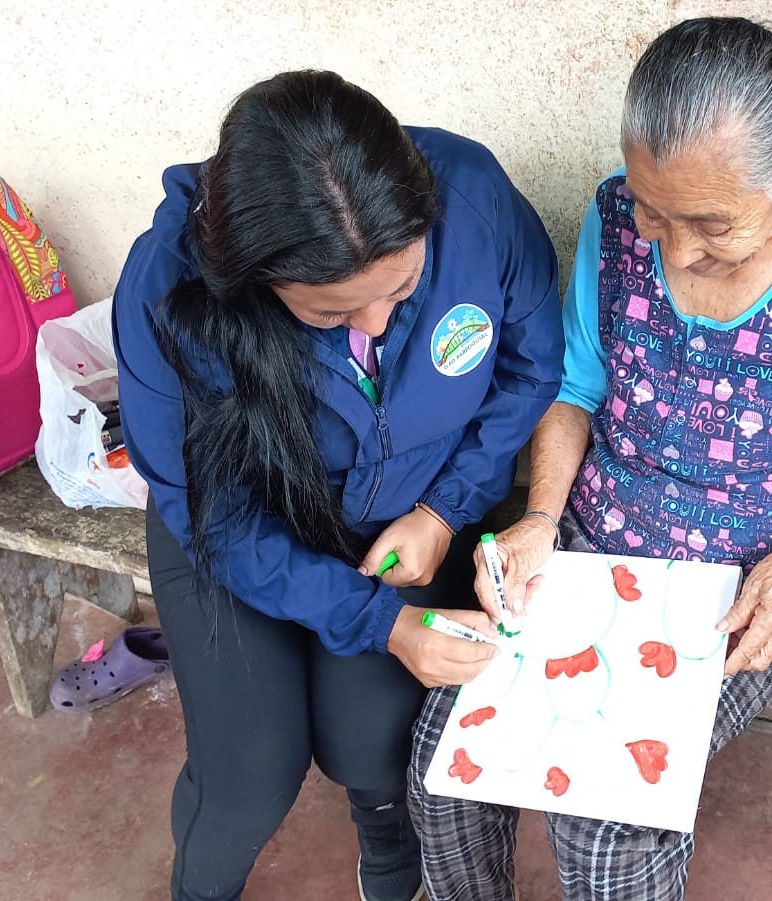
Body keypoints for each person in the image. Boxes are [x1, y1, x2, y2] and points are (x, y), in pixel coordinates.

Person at [408, 18, 772, 900]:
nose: (674, 249)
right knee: (444, 762)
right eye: (654, 211)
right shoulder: (613, 215)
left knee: (607, 819)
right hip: (590, 546)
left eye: (712, 223)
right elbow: (576, 385)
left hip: (745, 579)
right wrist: (541, 518)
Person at [112, 70, 562, 901]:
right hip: (239, 528)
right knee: (249, 773)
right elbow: (220, 520)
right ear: (252, 279)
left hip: (411, 507)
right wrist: (380, 622)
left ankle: (384, 828)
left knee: (370, 736)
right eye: (329, 313)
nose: (378, 324)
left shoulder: (475, 199)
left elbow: (530, 369)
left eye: (403, 288)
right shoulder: (168, 293)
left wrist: (443, 508)